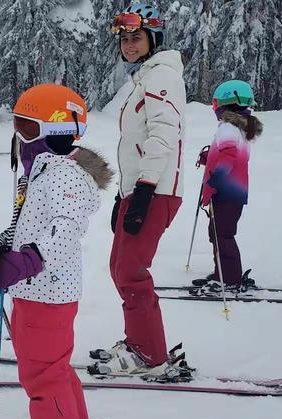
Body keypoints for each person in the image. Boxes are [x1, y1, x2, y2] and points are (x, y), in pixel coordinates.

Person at [0, 83, 113, 419]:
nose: (19, 135)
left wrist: (27, 261)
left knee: (44, 379)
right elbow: (26, 227)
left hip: (46, 295)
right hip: (42, 292)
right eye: (18, 125)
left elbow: (65, 230)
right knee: (56, 371)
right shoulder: (44, 170)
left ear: (57, 129)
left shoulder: (61, 175)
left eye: (27, 127)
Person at [90, 3, 186, 377]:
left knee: (131, 272)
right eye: (125, 39)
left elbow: (164, 135)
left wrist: (144, 191)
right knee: (120, 267)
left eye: (137, 37)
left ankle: (149, 355)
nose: (129, 44)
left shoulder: (162, 75)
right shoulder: (146, 77)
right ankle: (138, 342)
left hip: (157, 190)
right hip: (143, 188)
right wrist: (125, 195)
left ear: (153, 39)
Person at [192, 80, 263, 290]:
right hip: (234, 192)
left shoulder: (228, 129)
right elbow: (231, 154)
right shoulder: (239, 129)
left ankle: (230, 278)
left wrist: (214, 181)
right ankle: (223, 271)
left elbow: (229, 158)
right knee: (218, 232)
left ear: (226, 103)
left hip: (225, 192)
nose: (214, 109)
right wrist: (210, 156)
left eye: (215, 104)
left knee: (222, 234)